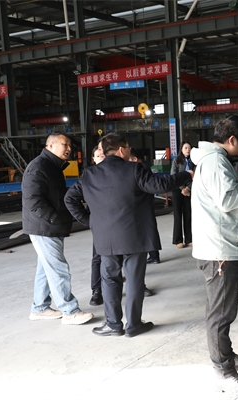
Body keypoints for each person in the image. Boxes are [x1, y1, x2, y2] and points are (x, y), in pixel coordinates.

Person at [64, 133, 192, 337]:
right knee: (133, 281)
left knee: (109, 280)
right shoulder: (134, 169)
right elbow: (159, 185)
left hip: (105, 238)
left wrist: (91, 222)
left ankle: (113, 325)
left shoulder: (89, 174)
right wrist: (186, 175)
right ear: (122, 149)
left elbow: (69, 199)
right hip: (134, 235)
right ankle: (133, 325)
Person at [190, 115, 238, 383]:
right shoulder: (214, 162)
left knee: (224, 310)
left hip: (223, 246)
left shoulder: (217, 160)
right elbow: (228, 199)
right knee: (221, 313)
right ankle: (224, 367)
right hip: (220, 251)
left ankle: (226, 355)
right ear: (232, 139)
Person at [22, 133, 94, 325]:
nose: (69, 148)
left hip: (50, 226)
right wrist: (54, 218)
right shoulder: (38, 167)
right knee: (58, 268)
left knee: (46, 269)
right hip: (44, 227)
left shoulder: (52, 166)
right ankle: (70, 311)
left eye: (70, 145)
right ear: (51, 146)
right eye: (64, 144)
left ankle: (40, 308)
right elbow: (32, 200)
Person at [128, 147, 158, 296]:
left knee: (135, 258)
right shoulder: (96, 174)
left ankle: (139, 286)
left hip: (136, 217)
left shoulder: (138, 170)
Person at [170, 141, 195, 249]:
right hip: (177, 190)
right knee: (178, 215)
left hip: (188, 190)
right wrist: (182, 188)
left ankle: (189, 239)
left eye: (189, 148)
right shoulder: (176, 161)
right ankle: (178, 240)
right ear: (181, 149)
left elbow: (196, 176)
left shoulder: (193, 162)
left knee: (188, 214)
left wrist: (188, 188)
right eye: (186, 148)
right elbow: (173, 175)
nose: (188, 150)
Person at [89, 141, 105, 306]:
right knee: (98, 257)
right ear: (93, 159)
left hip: (118, 221)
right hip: (100, 224)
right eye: (98, 156)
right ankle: (97, 290)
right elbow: (71, 198)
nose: (101, 157)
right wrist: (88, 220)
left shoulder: (116, 173)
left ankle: (138, 286)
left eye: (103, 155)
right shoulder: (90, 176)